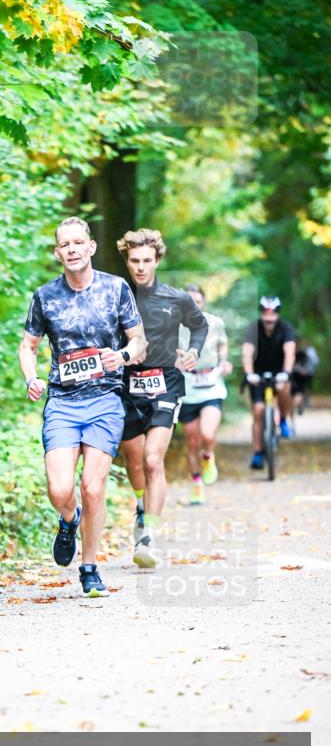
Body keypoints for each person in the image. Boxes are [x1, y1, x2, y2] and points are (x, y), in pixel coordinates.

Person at [19, 216, 146, 597]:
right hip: (62, 402)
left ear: (91, 247)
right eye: (65, 244)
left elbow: (139, 341)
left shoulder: (116, 288)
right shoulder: (45, 296)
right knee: (60, 489)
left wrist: (122, 356)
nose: (72, 249)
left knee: (92, 487)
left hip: (105, 399)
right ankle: (69, 518)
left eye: (78, 242)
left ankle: (89, 568)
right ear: (57, 253)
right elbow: (28, 346)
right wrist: (31, 377)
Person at [116, 229, 208, 569]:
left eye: (147, 261)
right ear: (127, 261)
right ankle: (142, 506)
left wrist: (194, 351)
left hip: (165, 383)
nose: (141, 267)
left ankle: (149, 537)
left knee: (153, 460)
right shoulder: (115, 297)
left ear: (157, 261)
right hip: (127, 387)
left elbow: (199, 326)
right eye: (134, 261)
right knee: (134, 462)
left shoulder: (176, 298)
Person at [178, 284, 233, 505]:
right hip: (187, 386)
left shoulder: (215, 322)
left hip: (211, 384)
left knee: (207, 434)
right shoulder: (174, 325)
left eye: (198, 302)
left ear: (204, 303)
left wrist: (224, 362)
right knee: (192, 441)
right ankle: (197, 484)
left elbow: (222, 345)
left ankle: (209, 456)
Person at [242, 296, 296, 469]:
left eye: (272, 313)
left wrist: (286, 373)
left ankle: (283, 420)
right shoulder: (253, 328)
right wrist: (249, 373)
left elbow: (290, 353)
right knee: (258, 411)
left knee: (283, 387)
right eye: (265, 313)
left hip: (279, 372)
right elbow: (247, 353)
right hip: (258, 374)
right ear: (261, 313)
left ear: (277, 314)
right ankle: (258, 453)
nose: (269, 318)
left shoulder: (286, 328)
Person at [291, 338, 319, 416]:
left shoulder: (305, 352)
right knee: (302, 389)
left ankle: (301, 404)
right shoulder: (305, 351)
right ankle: (302, 403)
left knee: (300, 390)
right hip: (303, 374)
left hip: (302, 374)